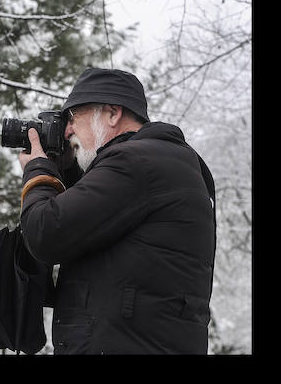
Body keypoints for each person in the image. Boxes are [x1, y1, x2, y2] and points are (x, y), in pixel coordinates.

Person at [17, 67, 216, 354]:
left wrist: (38, 170)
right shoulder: (162, 160)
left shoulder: (136, 162)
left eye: (73, 117)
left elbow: (45, 233)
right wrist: (68, 169)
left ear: (112, 113)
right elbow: (100, 220)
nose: (68, 129)